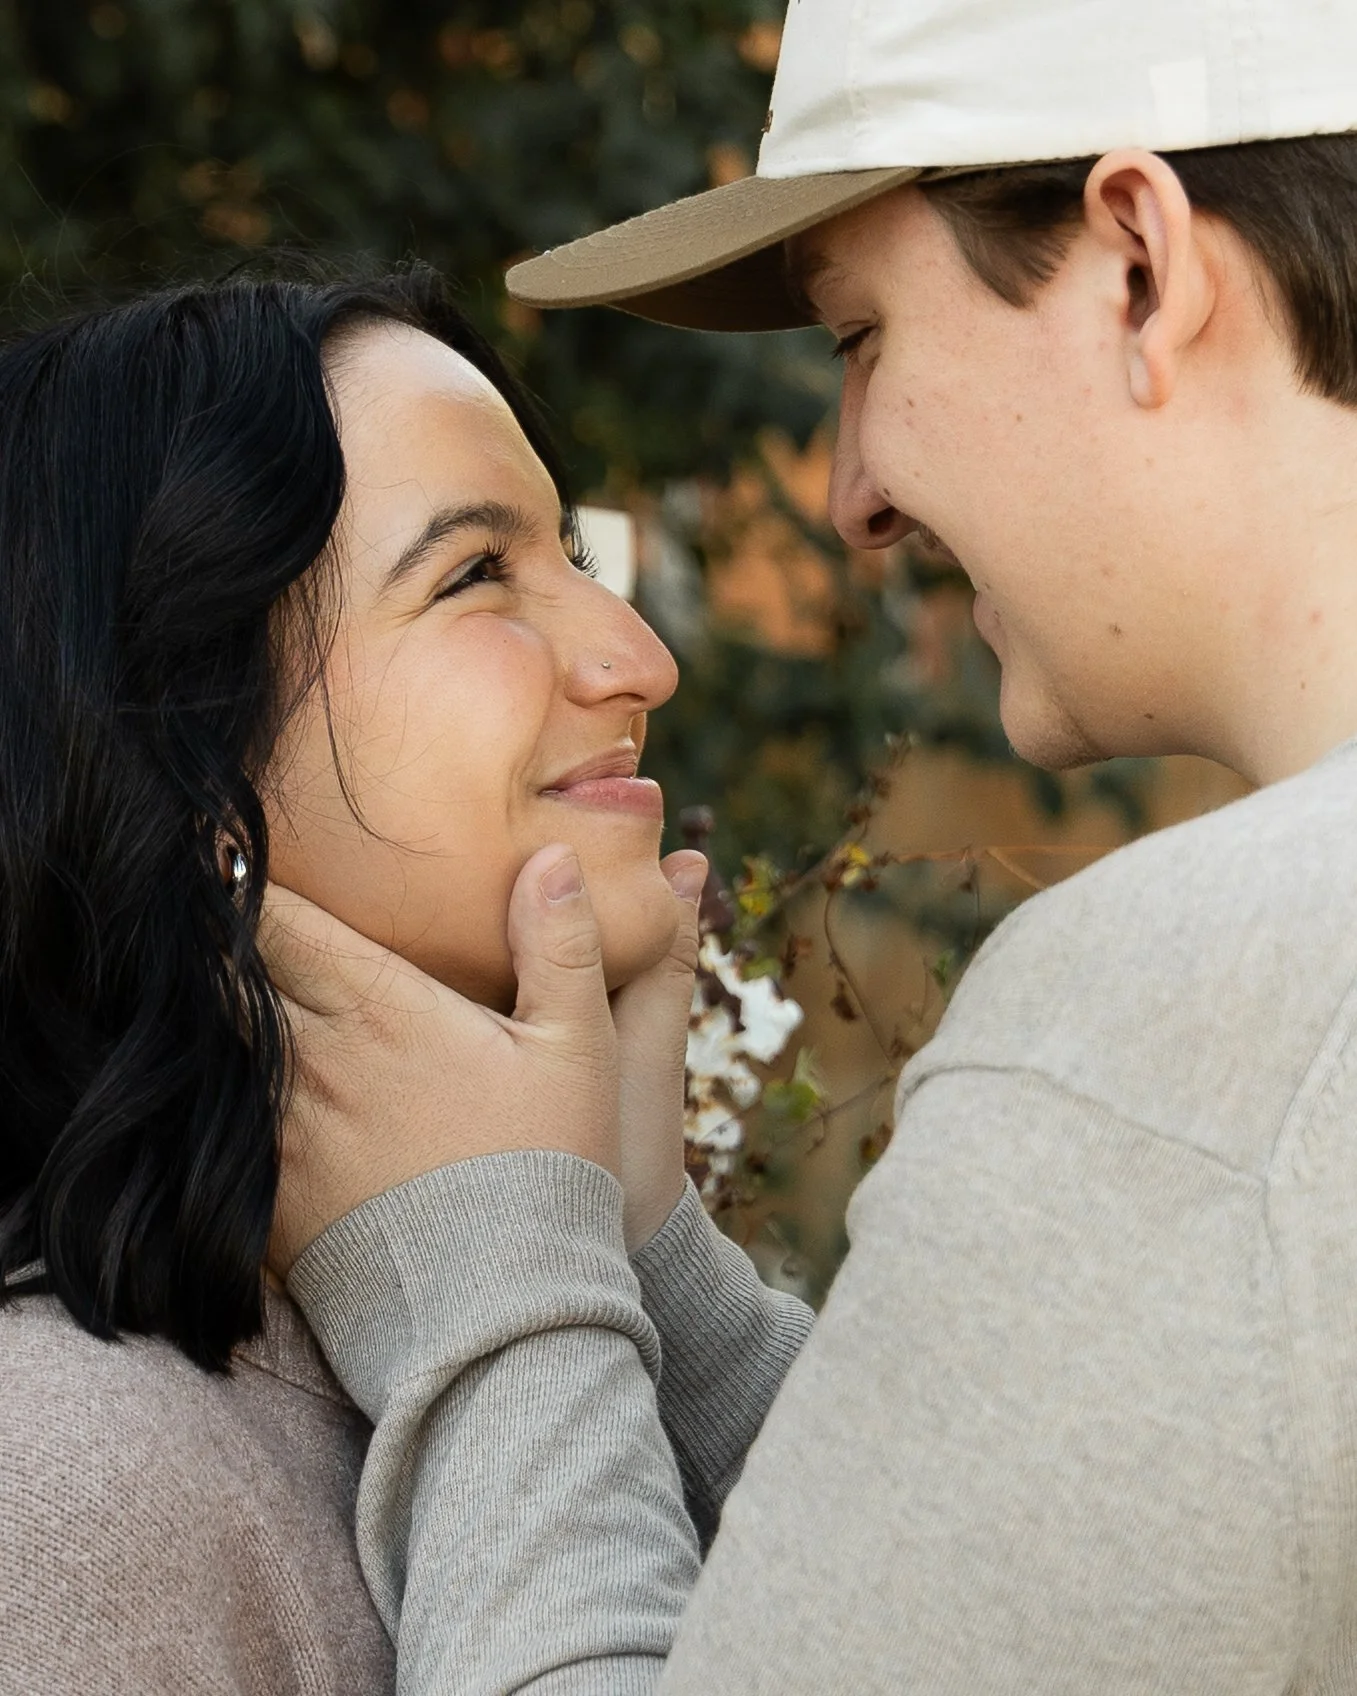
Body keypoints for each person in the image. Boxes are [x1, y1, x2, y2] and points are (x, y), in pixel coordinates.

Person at [259, 0, 1357, 1691]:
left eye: (860, 336)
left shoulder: (1193, 1021)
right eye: (481, 575)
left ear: (1138, 259)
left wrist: (485, 1275)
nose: (854, 492)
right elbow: (1032, 1599)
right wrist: (642, 1255)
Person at [0, 266, 812, 1695]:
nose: (641, 661)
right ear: (183, 767)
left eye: (582, 560)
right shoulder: (63, 1498)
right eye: (475, 573)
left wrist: (633, 1242)